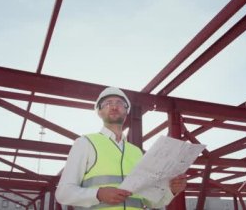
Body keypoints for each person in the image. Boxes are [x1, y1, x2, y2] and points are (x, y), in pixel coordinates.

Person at [55, 87, 187, 209]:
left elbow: (149, 201)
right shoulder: (85, 143)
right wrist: (98, 194)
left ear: (126, 111)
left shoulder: (136, 152)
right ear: (99, 112)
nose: (114, 106)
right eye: (108, 103)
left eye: (119, 103)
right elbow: (63, 193)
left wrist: (171, 190)